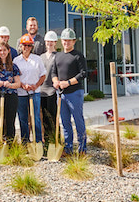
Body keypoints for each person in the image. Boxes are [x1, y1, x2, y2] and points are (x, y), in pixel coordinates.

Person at [49, 28, 87, 156]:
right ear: (61, 41)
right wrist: (55, 81)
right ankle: (68, 148)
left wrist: (68, 82)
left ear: (74, 41)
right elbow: (53, 72)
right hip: (61, 94)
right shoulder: (57, 55)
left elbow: (83, 74)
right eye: (64, 40)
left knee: (78, 120)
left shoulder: (78, 56)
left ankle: (82, 148)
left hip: (75, 92)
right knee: (65, 122)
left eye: (69, 40)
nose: (66, 42)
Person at [13, 35, 46, 148]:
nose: (26, 47)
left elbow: (43, 75)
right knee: (22, 118)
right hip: (21, 93)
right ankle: (25, 142)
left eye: (28, 45)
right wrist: (22, 85)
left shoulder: (37, 59)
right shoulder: (16, 61)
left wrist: (35, 85)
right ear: (21, 46)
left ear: (32, 47)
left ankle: (38, 142)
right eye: (24, 45)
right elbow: (14, 77)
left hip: (35, 93)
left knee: (35, 117)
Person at [39, 30, 59, 151]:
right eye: (47, 41)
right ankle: (46, 142)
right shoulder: (41, 57)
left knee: (52, 117)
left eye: (51, 41)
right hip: (41, 91)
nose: (49, 43)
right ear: (45, 42)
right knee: (44, 119)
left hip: (52, 91)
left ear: (55, 42)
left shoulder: (58, 56)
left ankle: (55, 139)